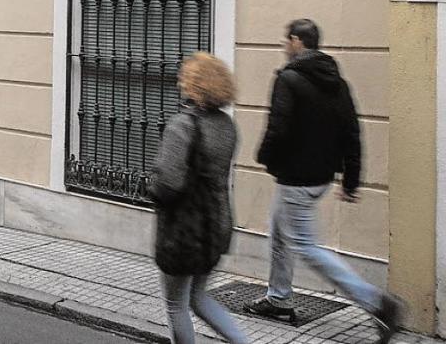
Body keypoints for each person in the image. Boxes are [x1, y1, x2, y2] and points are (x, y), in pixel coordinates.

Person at [244, 19, 403, 343]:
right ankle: (278, 299)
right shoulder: (338, 82)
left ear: (297, 41)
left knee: (305, 246)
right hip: (319, 179)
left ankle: (378, 303)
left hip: (295, 180)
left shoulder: (288, 78)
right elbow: (351, 132)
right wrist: (351, 180)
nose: (284, 47)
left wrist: (264, 157)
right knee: (279, 233)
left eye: (286, 41)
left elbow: (279, 127)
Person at [151, 52, 248, 344]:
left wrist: (153, 189)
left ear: (194, 84)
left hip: (184, 230)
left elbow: (168, 182)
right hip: (217, 224)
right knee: (198, 296)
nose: (180, 83)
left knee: (176, 303)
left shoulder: (182, 125)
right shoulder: (227, 126)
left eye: (184, 78)